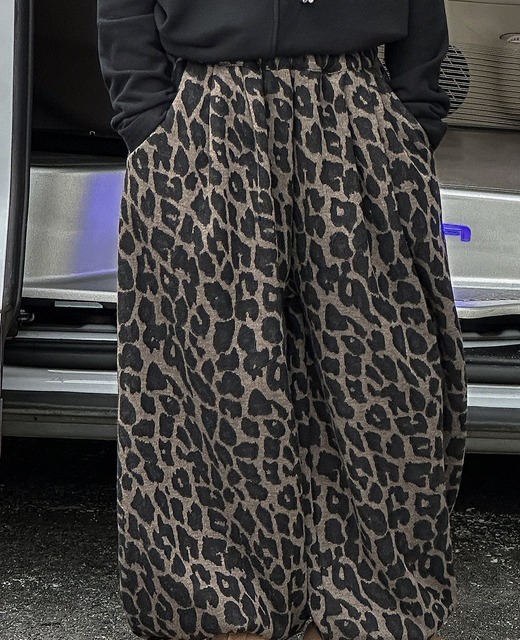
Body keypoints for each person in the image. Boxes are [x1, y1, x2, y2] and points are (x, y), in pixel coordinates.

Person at [97, 1, 467, 639]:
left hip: (355, 110)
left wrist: (413, 120)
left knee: (377, 374)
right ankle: (220, 603)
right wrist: (148, 124)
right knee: (216, 376)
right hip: (208, 116)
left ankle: (365, 604)